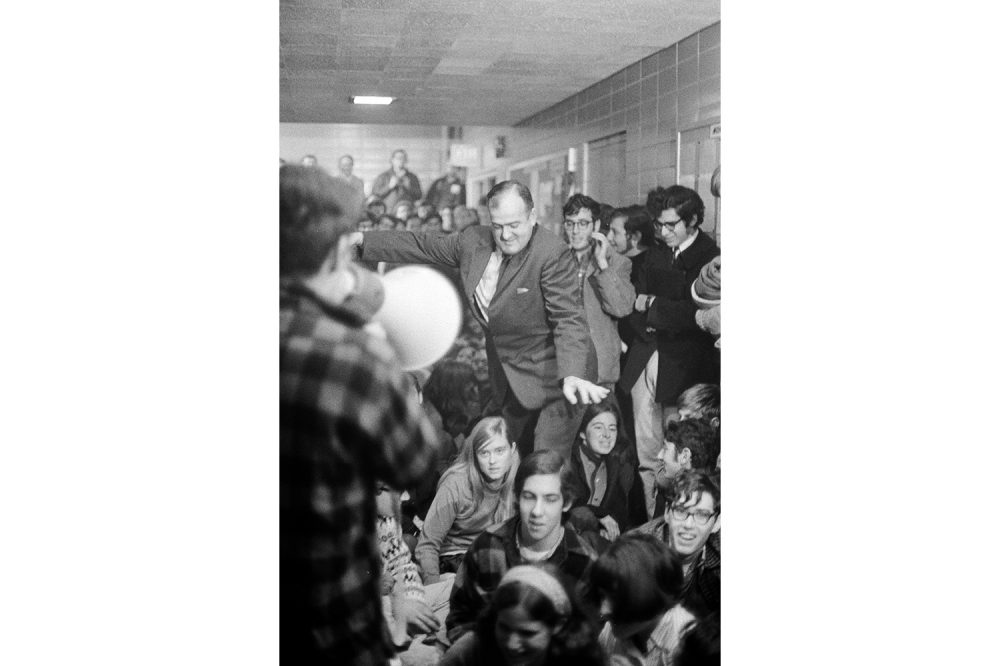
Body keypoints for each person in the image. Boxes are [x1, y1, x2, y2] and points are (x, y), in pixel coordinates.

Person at [279, 164, 440, 665]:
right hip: (329, 617)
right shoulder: (350, 356)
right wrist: (373, 340)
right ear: (333, 253)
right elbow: (415, 463)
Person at [354, 180, 607, 454]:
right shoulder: (473, 241)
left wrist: (571, 374)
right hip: (511, 374)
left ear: (532, 217)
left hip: (561, 376)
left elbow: (568, 319)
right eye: (498, 226)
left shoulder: (551, 253)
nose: (506, 235)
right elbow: (424, 244)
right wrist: (363, 241)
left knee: (545, 460)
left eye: (514, 225)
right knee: (500, 454)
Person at [627, 185, 720, 518]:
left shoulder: (712, 258)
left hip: (685, 370)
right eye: (659, 225)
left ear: (693, 220)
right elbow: (631, 303)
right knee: (645, 453)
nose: (663, 232)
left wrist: (653, 306)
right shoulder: (655, 252)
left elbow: (700, 317)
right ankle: (650, 520)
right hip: (645, 362)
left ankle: (675, 521)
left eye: (671, 225)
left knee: (678, 455)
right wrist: (660, 309)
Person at [446, 450, 597, 644]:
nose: (537, 511)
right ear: (517, 497)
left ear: (566, 502)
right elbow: (459, 619)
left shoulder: (585, 564)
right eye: (529, 497)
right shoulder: (488, 546)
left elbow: (584, 646)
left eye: (550, 499)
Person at [558, 194, 634, 453]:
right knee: (566, 444)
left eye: (583, 223)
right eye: (570, 223)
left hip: (600, 369)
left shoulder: (616, 262)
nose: (576, 230)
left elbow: (622, 308)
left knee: (602, 442)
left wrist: (602, 265)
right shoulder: (555, 261)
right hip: (565, 368)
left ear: (596, 226)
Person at [415, 416, 520, 584]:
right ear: (474, 454)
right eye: (484, 453)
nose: (493, 461)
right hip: (453, 559)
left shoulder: (517, 484)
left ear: (512, 449)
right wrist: (434, 591)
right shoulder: (456, 484)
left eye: (499, 451)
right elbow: (427, 544)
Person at [440, 564, 604, 666]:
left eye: (527, 633)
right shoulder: (472, 647)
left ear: (558, 624)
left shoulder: (577, 660)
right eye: (504, 627)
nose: (512, 643)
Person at [590, 533, 696, 666]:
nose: (603, 610)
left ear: (651, 596)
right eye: (602, 596)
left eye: (618, 598)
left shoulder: (684, 642)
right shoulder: (614, 628)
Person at [376, 482, 452, 666]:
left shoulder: (387, 520)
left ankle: (423, 638)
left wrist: (411, 600)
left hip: (396, 598)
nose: (405, 498)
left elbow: (401, 562)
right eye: (393, 490)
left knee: (455, 585)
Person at [631, 470, 720, 620]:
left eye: (702, 515)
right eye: (681, 511)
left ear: (717, 523)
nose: (688, 524)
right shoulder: (635, 552)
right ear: (667, 512)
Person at [566, 398, 646, 550]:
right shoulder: (568, 460)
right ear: (582, 433)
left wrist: (607, 530)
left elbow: (625, 514)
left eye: (612, 428)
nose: (606, 435)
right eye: (598, 427)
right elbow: (566, 510)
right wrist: (599, 515)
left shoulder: (619, 462)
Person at [373, 148, 423, 212]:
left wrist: (409, 187)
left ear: (406, 161)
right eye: (398, 158)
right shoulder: (383, 176)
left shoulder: (412, 177)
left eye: (404, 158)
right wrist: (389, 187)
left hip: (407, 212)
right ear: (392, 160)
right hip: (388, 212)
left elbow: (419, 196)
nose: (401, 160)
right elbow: (375, 194)